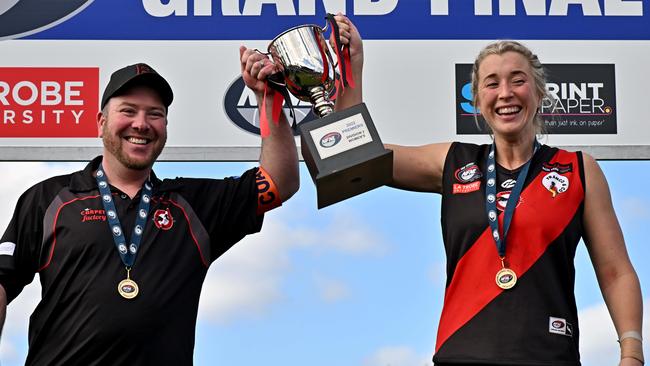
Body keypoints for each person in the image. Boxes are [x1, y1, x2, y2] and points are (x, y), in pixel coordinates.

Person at [336, 17, 644, 366]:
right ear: (478, 102)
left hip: (549, 356)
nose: (506, 93)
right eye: (491, 84)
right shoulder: (453, 161)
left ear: (539, 93)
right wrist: (352, 69)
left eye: (518, 80)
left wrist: (631, 353)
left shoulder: (578, 169)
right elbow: (352, 160)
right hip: (462, 354)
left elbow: (616, 271)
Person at [0, 60, 299, 365]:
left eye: (155, 114)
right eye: (128, 111)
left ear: (165, 127)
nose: (141, 124)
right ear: (101, 122)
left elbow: (279, 182)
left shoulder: (191, 206)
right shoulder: (50, 198)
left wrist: (267, 98)